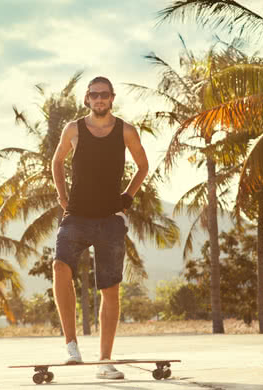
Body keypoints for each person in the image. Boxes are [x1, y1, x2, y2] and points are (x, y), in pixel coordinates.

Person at [50, 76, 149, 380]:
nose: (100, 99)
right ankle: (71, 347)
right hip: (76, 216)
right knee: (60, 267)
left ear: (112, 98)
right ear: (87, 99)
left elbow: (143, 166)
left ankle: (105, 361)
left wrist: (128, 198)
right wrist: (63, 197)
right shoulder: (73, 129)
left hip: (109, 220)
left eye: (104, 95)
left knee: (110, 289)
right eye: (94, 95)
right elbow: (57, 163)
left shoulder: (126, 131)